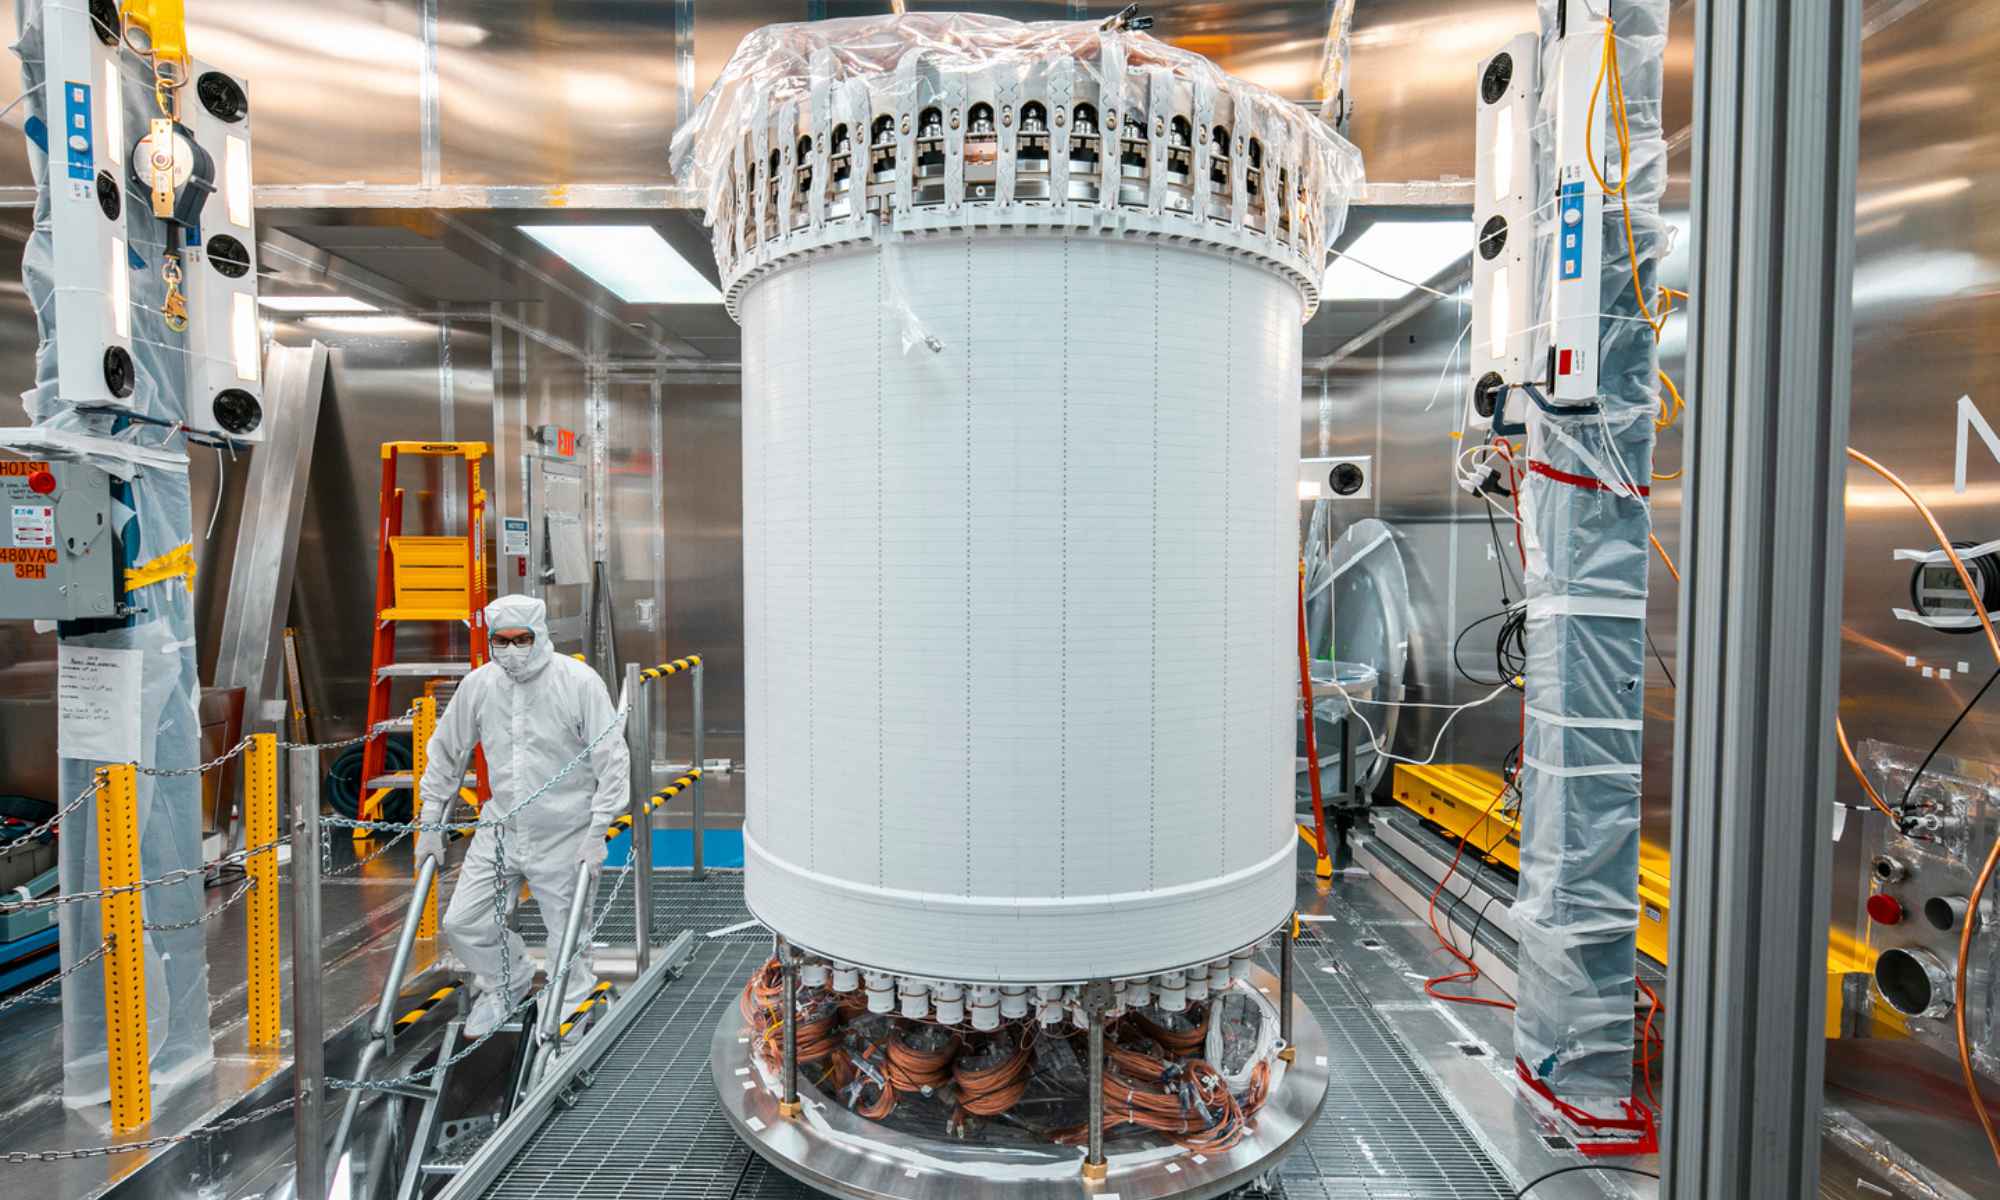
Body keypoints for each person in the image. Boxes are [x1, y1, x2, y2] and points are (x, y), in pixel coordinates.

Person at [413, 595, 629, 1037]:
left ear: (540, 635)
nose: (511, 649)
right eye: (502, 641)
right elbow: (446, 752)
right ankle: (506, 984)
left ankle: (562, 1029)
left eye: (522, 639)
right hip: (501, 828)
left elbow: (612, 759)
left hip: (565, 830)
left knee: (567, 938)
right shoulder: (480, 685)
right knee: (463, 922)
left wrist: (598, 828)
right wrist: (432, 820)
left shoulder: (578, 682)